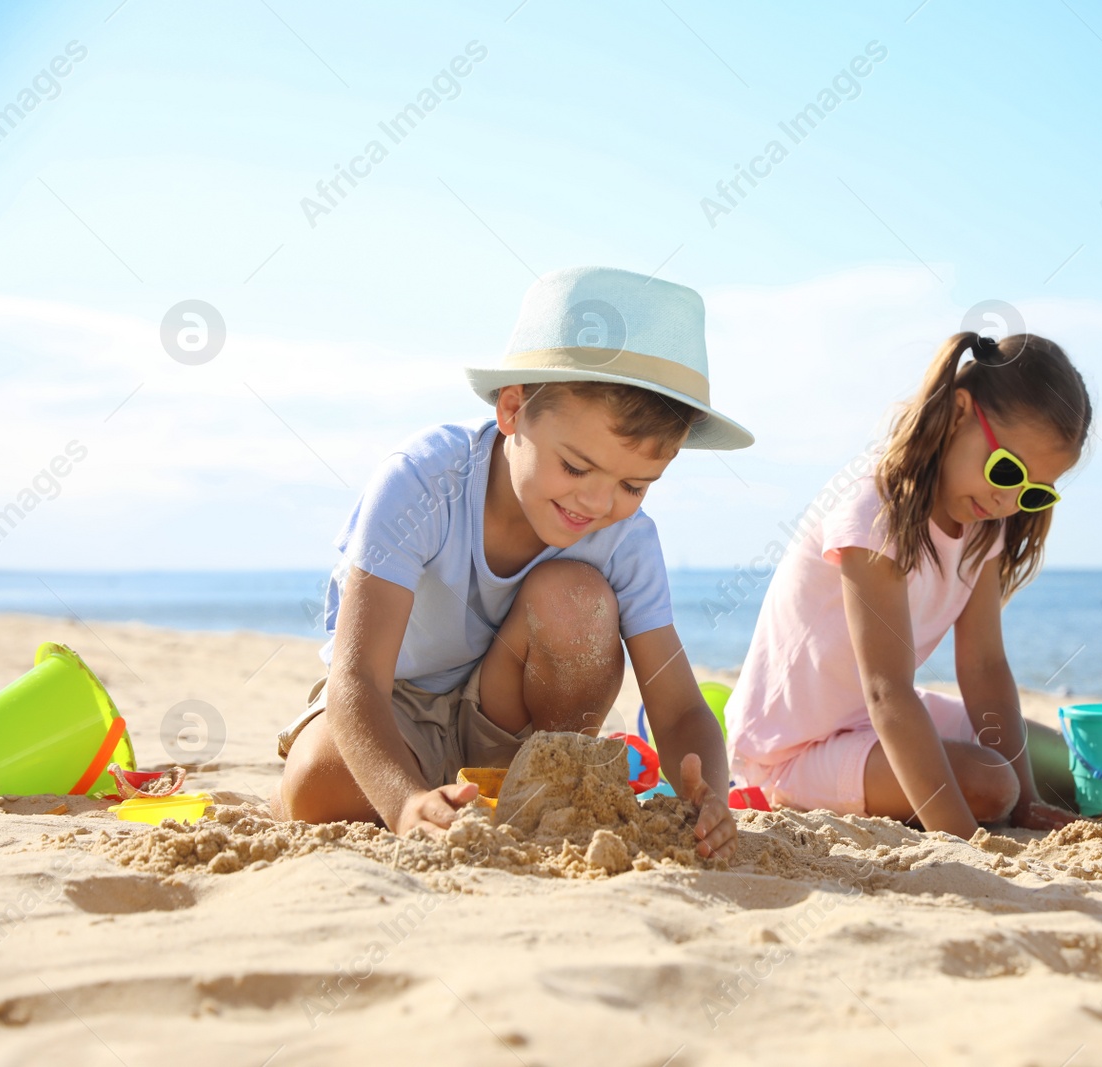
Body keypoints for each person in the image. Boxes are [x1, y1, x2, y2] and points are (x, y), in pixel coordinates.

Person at [276, 266, 752, 859]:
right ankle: (424, 792)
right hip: (393, 703)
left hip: (514, 732)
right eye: (576, 468)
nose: (599, 503)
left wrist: (711, 798)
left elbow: (681, 709)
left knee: (574, 596)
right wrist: (401, 804)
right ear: (511, 410)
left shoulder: (626, 538)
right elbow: (359, 680)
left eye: (634, 484)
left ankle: (549, 784)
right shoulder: (423, 482)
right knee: (315, 788)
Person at [726, 330, 1090, 837]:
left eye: (1033, 494)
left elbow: (984, 667)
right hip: (794, 748)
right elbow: (887, 691)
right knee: (991, 784)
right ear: (959, 412)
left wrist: (1029, 805)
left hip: (876, 722)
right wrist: (968, 844)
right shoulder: (873, 514)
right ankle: (790, 790)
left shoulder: (985, 526)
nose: (1009, 502)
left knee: (1058, 763)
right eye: (1006, 471)